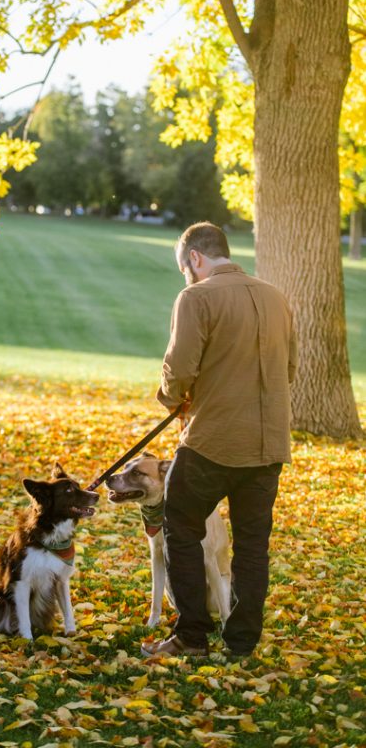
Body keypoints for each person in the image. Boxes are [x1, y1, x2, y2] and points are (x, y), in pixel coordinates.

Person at [141, 221, 296, 661]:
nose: (186, 278)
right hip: (268, 444)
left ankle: (192, 635)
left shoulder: (196, 297)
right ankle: (242, 643)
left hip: (212, 441)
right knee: (252, 545)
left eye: (184, 270)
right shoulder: (277, 297)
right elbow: (289, 370)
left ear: (195, 258)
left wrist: (172, 399)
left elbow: (179, 369)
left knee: (179, 525)